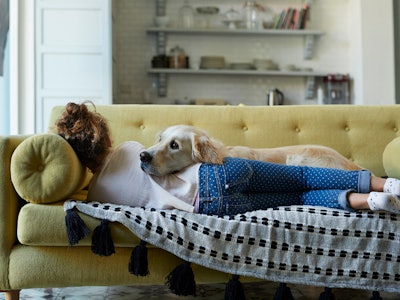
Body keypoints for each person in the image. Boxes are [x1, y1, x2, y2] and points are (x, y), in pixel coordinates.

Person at [56, 101, 400, 216]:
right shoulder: (132, 149)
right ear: (105, 136)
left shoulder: (98, 198)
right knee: (303, 177)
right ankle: (385, 184)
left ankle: (369, 201)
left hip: (212, 207)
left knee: (299, 199)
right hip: (220, 173)